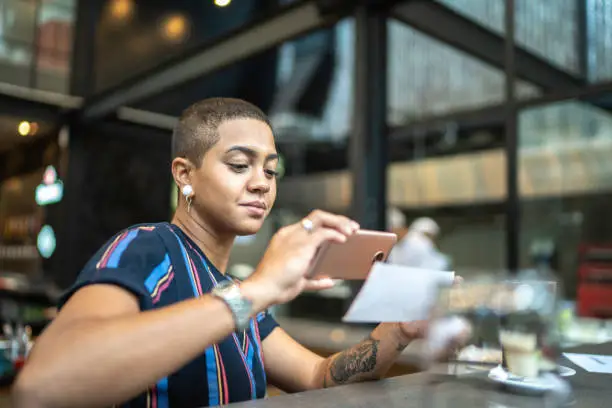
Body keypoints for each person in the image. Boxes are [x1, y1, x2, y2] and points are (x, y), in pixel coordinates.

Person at [13, 98, 465, 408]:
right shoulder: (148, 247)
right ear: (184, 175)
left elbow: (318, 377)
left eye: (271, 169)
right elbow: (42, 385)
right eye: (238, 165)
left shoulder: (229, 290)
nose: (261, 182)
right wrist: (257, 290)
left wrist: (400, 330)